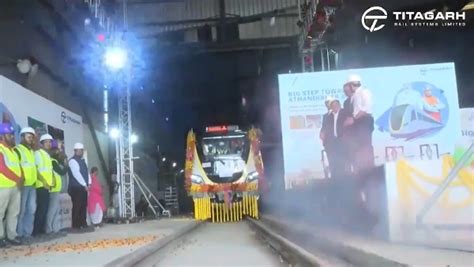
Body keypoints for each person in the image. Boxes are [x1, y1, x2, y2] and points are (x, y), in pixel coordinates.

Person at [343, 74, 375, 175]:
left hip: (364, 123)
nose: (347, 88)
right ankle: (361, 173)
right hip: (356, 124)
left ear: (352, 85)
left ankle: (370, 173)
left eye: (348, 85)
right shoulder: (354, 96)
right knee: (357, 150)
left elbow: (366, 109)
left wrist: (353, 118)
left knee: (365, 148)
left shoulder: (365, 92)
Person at [0, 123, 24, 247]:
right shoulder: (0, 148)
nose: (12, 137)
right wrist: (17, 179)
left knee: (14, 212)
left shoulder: (13, 151)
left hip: (15, 187)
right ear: (2, 136)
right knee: (0, 212)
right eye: (9, 135)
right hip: (3, 186)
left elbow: (18, 167)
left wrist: (21, 179)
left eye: (12, 134)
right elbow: (2, 167)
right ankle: (0, 237)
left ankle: (12, 235)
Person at [14, 127, 37, 242]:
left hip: (32, 185)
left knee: (31, 210)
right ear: (22, 137)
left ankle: (28, 234)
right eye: (28, 137)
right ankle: (19, 235)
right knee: (21, 211)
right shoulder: (17, 150)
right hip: (23, 185)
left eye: (32, 137)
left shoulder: (31, 151)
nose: (31, 139)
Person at [33, 134, 56, 236]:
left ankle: (42, 230)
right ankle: (36, 232)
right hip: (41, 185)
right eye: (46, 142)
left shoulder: (47, 155)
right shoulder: (38, 154)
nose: (49, 144)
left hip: (47, 186)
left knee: (45, 209)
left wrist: (53, 180)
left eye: (50, 142)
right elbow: (37, 171)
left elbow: (49, 171)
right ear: (41, 144)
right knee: (41, 209)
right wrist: (44, 182)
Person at [68, 142, 93, 232]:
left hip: (83, 187)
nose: (82, 152)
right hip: (76, 187)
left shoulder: (82, 161)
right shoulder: (72, 161)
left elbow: (87, 173)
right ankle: (76, 225)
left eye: (82, 150)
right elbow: (76, 174)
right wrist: (84, 185)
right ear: (76, 150)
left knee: (83, 205)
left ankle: (83, 223)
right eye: (80, 150)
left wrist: (89, 183)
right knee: (77, 206)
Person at [322, 99, 350, 178]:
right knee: (333, 163)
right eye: (332, 106)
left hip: (342, 141)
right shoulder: (328, 116)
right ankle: (335, 180)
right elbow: (324, 128)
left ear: (339, 105)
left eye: (336, 105)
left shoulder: (345, 113)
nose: (334, 107)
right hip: (331, 143)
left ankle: (344, 180)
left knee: (343, 162)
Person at [45, 141, 68, 236]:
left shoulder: (56, 161)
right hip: (53, 189)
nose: (59, 151)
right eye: (58, 150)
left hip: (57, 189)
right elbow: (61, 171)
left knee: (55, 210)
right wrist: (66, 165)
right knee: (52, 210)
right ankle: (48, 229)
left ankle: (55, 229)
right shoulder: (52, 161)